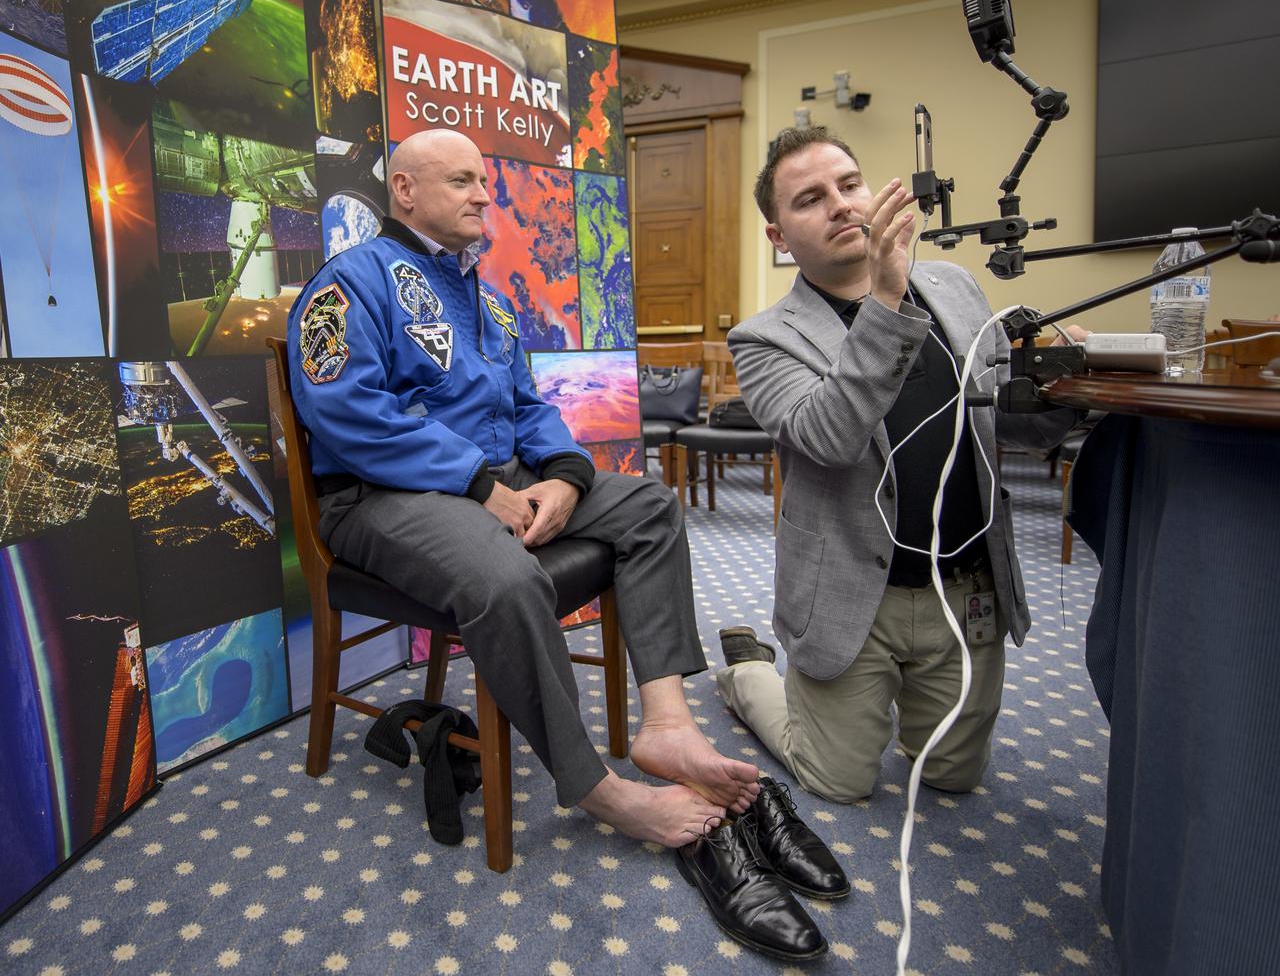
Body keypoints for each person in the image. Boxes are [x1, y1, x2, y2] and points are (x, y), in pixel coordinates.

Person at [287, 128, 760, 845]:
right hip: (378, 495)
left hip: (496, 479)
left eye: (482, 180)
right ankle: (600, 791)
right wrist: (477, 484)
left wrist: (566, 478)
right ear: (406, 190)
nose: (484, 193)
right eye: (462, 181)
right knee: (509, 581)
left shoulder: (489, 299)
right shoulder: (349, 281)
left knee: (652, 506)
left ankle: (668, 725)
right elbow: (348, 414)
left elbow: (529, 407)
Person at [716, 126, 1085, 803]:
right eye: (810, 199)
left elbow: (1015, 425)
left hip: (963, 586)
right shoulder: (763, 338)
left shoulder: (955, 288)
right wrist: (885, 299)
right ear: (778, 237)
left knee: (951, 775)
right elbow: (830, 436)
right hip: (852, 595)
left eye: (849, 184)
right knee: (838, 780)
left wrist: (1072, 383)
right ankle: (748, 675)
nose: (841, 204)